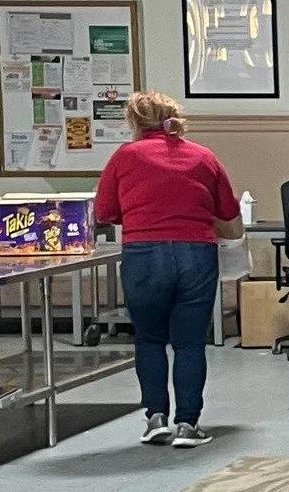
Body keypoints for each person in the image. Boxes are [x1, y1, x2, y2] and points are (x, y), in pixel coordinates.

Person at [93, 90, 244, 449]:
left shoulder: (125, 156)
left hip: (143, 255)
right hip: (196, 253)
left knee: (149, 339)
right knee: (190, 343)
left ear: (135, 122)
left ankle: (155, 419)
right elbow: (228, 209)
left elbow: (104, 211)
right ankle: (188, 425)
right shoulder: (203, 156)